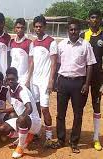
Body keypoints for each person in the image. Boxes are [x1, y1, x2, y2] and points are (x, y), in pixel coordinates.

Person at [55, 20, 96, 153]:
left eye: (76, 30)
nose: (73, 32)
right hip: (63, 82)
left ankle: (74, 142)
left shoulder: (86, 45)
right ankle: (61, 140)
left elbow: (90, 65)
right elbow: (58, 64)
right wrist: (56, 81)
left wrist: (87, 83)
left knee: (78, 114)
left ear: (80, 30)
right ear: (68, 30)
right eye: (71, 30)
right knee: (61, 114)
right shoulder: (61, 45)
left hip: (79, 84)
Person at [27, 15, 57, 147]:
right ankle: (37, 131)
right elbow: (32, 62)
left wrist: (51, 81)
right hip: (34, 81)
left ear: (45, 27)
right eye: (36, 26)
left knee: (45, 109)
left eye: (41, 26)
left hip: (45, 81)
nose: (38, 29)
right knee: (36, 108)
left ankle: (49, 137)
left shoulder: (51, 42)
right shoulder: (33, 43)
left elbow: (54, 63)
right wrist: (28, 79)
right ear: (34, 27)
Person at [0, 67, 41, 158]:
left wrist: (19, 120)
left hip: (34, 121)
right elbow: (15, 107)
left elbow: (29, 108)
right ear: (6, 79)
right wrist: (1, 111)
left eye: (13, 79)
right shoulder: (10, 90)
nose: (10, 81)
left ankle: (20, 147)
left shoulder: (22, 90)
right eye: (8, 79)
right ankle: (26, 136)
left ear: (17, 78)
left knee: (21, 119)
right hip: (23, 121)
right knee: (2, 129)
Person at [80, 9, 103, 151]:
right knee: (79, 106)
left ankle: (95, 138)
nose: (94, 20)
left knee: (96, 107)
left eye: (97, 17)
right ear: (88, 19)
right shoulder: (83, 35)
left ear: (100, 20)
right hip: (83, 78)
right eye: (92, 17)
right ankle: (77, 135)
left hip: (98, 79)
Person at [10, 18, 32, 85]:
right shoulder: (11, 42)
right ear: (15, 28)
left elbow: (31, 63)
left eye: (22, 28)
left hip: (23, 79)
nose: (20, 30)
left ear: (24, 29)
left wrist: (28, 79)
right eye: (18, 27)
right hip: (12, 78)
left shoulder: (29, 43)